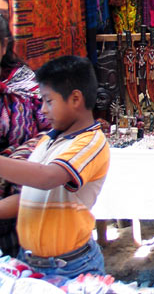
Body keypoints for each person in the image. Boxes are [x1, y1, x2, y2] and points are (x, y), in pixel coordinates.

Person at [0, 55, 110, 278]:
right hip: (30, 261)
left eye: (49, 101)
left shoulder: (91, 142)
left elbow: (47, 178)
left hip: (70, 266)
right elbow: (31, 195)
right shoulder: (48, 140)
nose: (42, 110)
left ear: (75, 99)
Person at [0, 15, 48, 257]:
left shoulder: (24, 82)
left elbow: (50, 132)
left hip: (18, 191)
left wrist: (16, 159)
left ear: (5, 44)